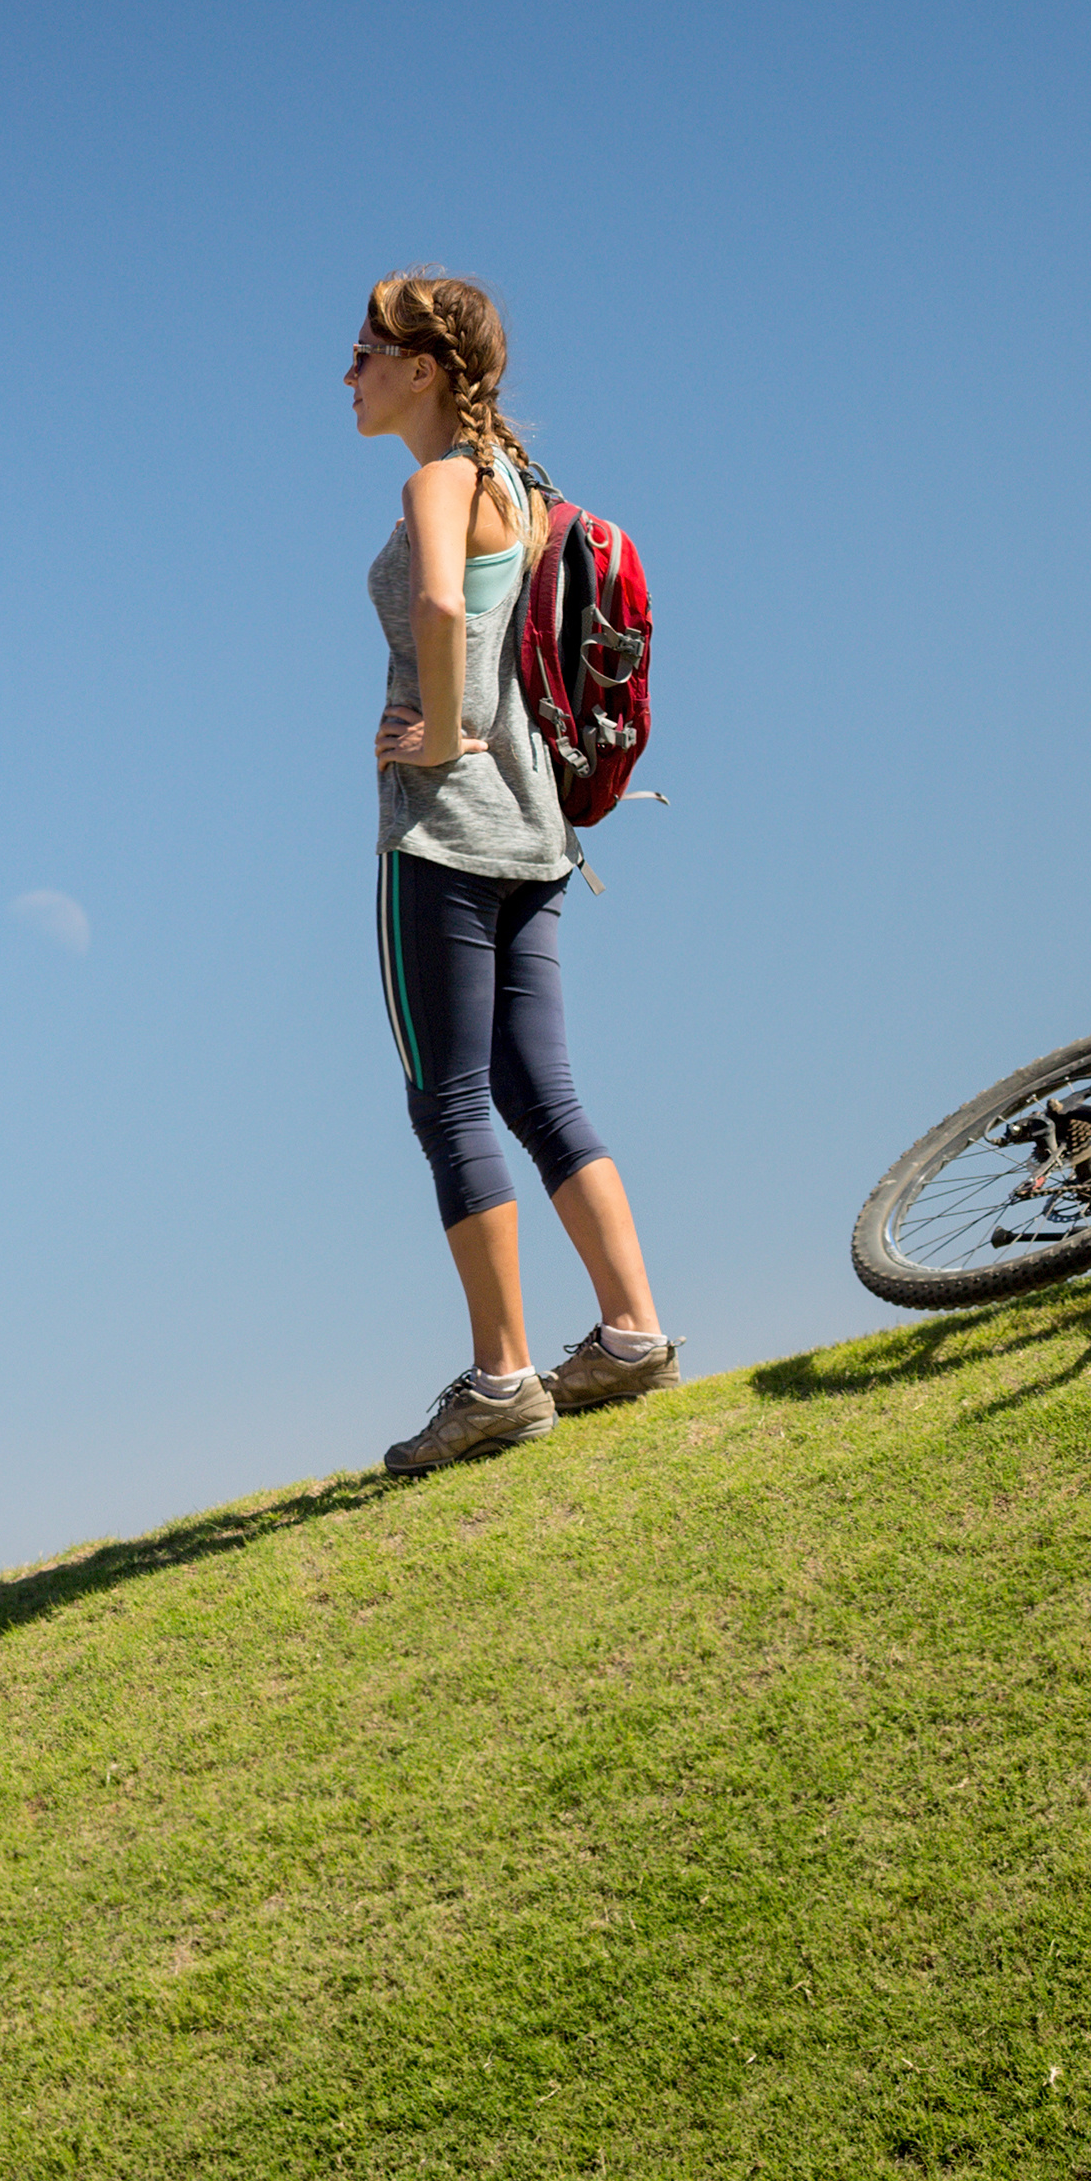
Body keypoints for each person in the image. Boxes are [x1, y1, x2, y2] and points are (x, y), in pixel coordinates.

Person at [343, 272, 675, 1476]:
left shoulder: (439, 480)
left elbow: (440, 600)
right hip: (536, 829)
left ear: (424, 367)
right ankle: (633, 1332)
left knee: (450, 1097)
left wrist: (432, 732)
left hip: (443, 829)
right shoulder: (526, 491)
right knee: (542, 1089)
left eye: (369, 350)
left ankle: (501, 1378)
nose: (352, 372)